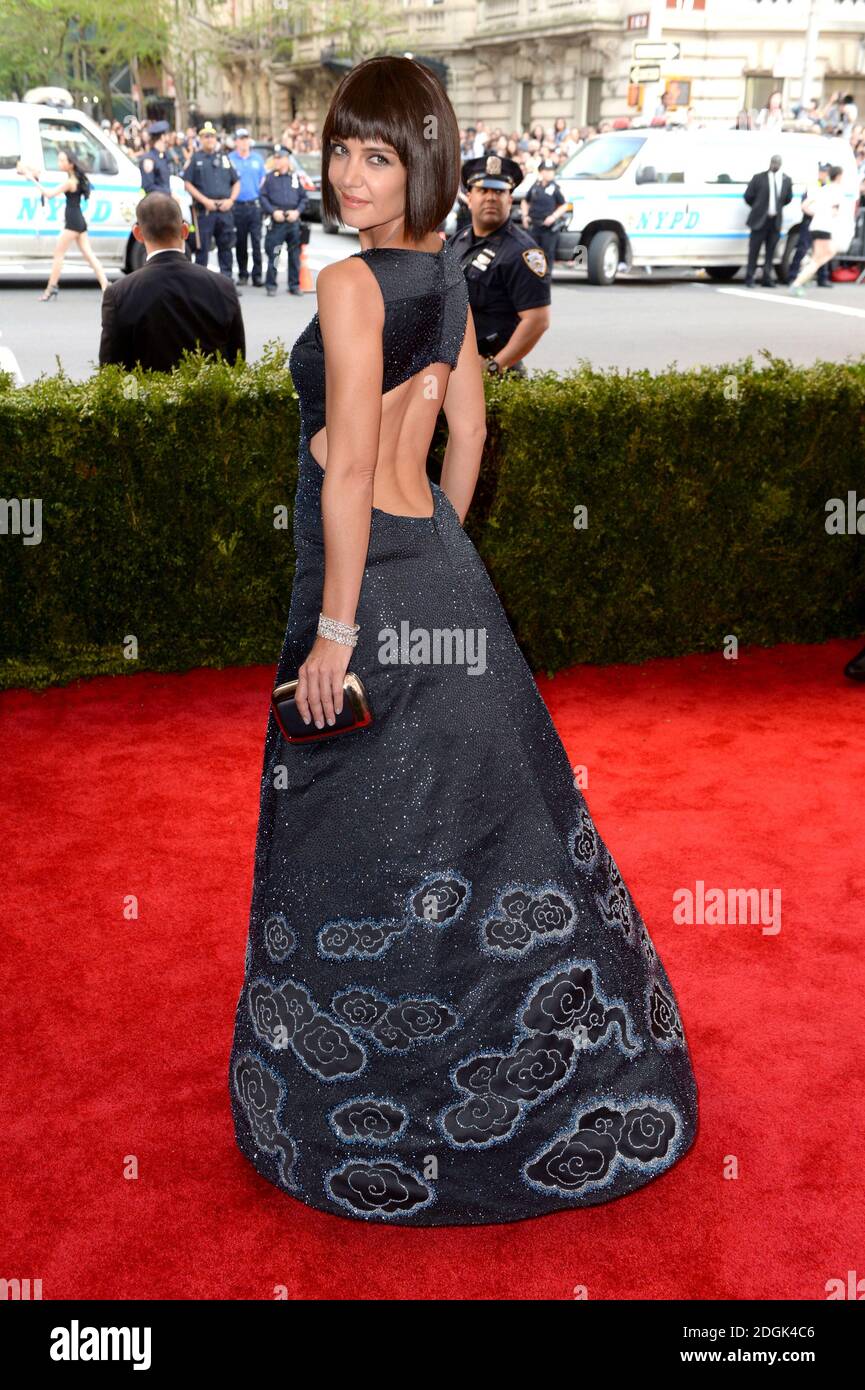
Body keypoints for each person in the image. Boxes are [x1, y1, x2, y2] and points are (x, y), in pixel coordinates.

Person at [227, 54, 699, 1226]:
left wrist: (338, 626)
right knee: (491, 825)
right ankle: (556, 1062)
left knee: (357, 828)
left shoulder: (349, 285)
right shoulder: (442, 265)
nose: (349, 174)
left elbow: (339, 476)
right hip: (442, 568)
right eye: (340, 149)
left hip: (364, 585)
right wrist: (443, 536)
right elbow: (470, 425)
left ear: (421, 158)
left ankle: (381, 1095)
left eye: (376, 154)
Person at [98, 192, 244, 371]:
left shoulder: (119, 294)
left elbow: (111, 371)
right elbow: (237, 363)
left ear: (138, 233)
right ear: (184, 230)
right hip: (210, 397)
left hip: (146, 397)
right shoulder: (223, 287)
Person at [447, 153, 551, 377]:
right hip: (456, 368)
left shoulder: (522, 252)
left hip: (496, 373)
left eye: (499, 191)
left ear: (509, 199)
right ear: (470, 197)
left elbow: (537, 320)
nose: (491, 198)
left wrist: (495, 366)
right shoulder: (459, 240)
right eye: (483, 190)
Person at [17, 149, 109, 299]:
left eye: (62, 161)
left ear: (70, 164)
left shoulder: (70, 182)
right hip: (78, 221)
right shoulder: (74, 179)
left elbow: (49, 194)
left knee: (59, 254)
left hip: (73, 222)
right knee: (89, 255)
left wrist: (31, 179)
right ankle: (105, 285)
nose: (59, 163)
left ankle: (51, 288)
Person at [183, 121, 240, 279]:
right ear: (201, 138)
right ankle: (201, 284)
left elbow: (236, 182)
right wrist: (205, 200)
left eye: (212, 136)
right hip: (206, 211)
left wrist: (231, 200)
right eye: (206, 136)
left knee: (226, 247)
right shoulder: (196, 158)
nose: (209, 139)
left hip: (224, 210)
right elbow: (187, 183)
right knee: (203, 250)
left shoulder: (224, 157)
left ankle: (227, 281)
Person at [789, 165, 854, 294]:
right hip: (824, 227)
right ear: (839, 176)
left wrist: (816, 214)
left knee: (821, 255)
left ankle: (805, 272)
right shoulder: (838, 191)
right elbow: (838, 212)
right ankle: (798, 281)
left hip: (816, 225)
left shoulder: (822, 189)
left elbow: (805, 205)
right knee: (823, 256)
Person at [259, 144, 308, 295]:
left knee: (294, 256)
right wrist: (273, 212)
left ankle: (294, 285)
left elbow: (304, 198)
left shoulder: (295, 177)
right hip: (277, 222)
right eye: (276, 158)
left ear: (287, 160)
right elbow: (262, 197)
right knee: (274, 254)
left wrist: (297, 212)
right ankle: (271, 285)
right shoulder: (269, 177)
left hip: (293, 222)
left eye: (280, 158)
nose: (277, 161)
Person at [743, 154, 793, 288]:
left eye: (777, 162)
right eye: (773, 162)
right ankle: (749, 277)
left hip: (775, 221)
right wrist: (758, 208)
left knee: (770, 252)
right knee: (754, 250)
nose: (775, 165)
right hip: (759, 220)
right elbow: (748, 196)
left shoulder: (786, 180)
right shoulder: (758, 178)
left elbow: (788, 198)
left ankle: (767, 278)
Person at [229, 128, 266, 286]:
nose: (243, 142)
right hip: (237, 207)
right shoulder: (230, 158)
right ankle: (243, 274)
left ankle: (257, 275)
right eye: (240, 139)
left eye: (246, 138)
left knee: (257, 242)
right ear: (236, 141)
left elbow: (263, 179)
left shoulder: (257, 158)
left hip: (254, 206)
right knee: (241, 242)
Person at [787, 163, 832, 288]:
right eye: (822, 172)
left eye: (826, 172)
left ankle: (823, 278)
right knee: (802, 248)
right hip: (809, 221)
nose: (823, 174)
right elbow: (805, 204)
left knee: (822, 251)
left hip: (822, 222)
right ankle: (792, 276)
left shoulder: (829, 187)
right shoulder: (813, 186)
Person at [521, 158, 569, 268]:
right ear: (541, 172)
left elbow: (564, 205)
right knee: (532, 254)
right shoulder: (535, 186)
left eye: (551, 171)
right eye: (547, 171)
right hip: (534, 226)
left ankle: (545, 279)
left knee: (547, 254)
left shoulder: (556, 188)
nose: (549, 173)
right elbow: (525, 201)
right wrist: (525, 216)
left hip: (548, 228)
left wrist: (553, 216)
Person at [139, 121, 173, 195]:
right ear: (162, 137)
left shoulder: (163, 156)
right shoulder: (149, 159)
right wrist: (169, 194)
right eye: (167, 135)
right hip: (154, 204)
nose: (169, 138)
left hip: (164, 202)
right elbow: (148, 187)